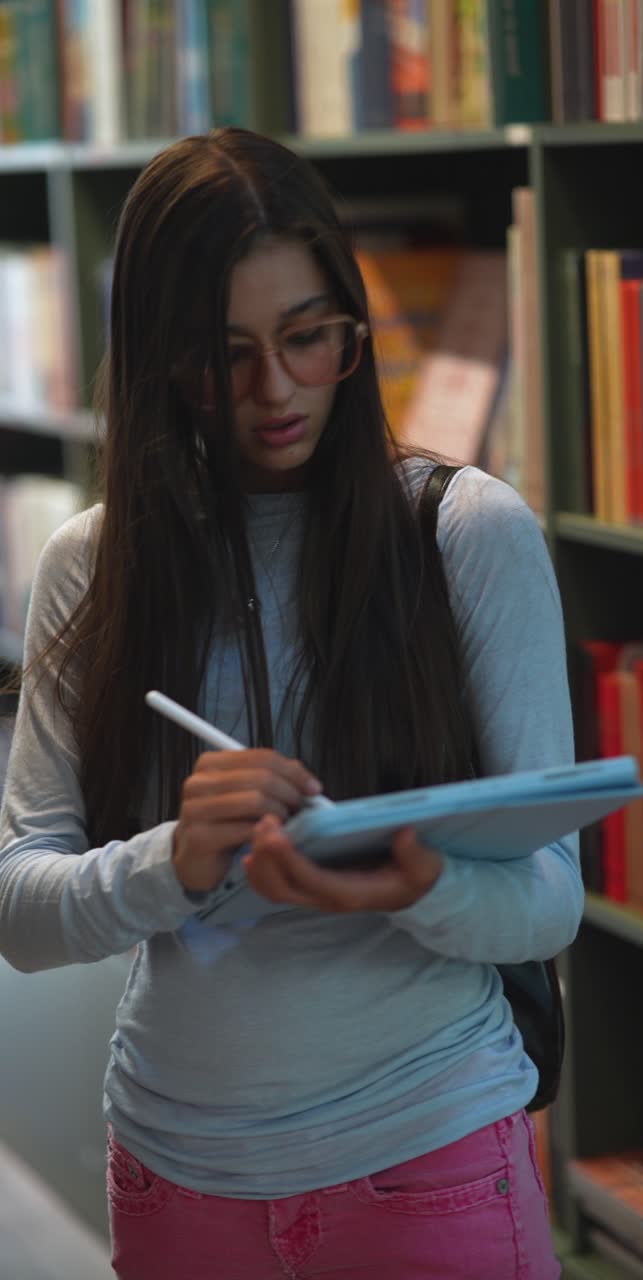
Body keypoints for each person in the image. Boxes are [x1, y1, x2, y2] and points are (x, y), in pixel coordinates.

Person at [0, 127, 583, 1280]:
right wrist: (176, 855)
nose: (277, 391)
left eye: (310, 338)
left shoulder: (463, 533)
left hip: (430, 1151)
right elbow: (22, 908)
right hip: (177, 1168)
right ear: (161, 358)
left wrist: (426, 882)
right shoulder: (92, 563)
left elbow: (551, 903)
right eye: (227, 355)